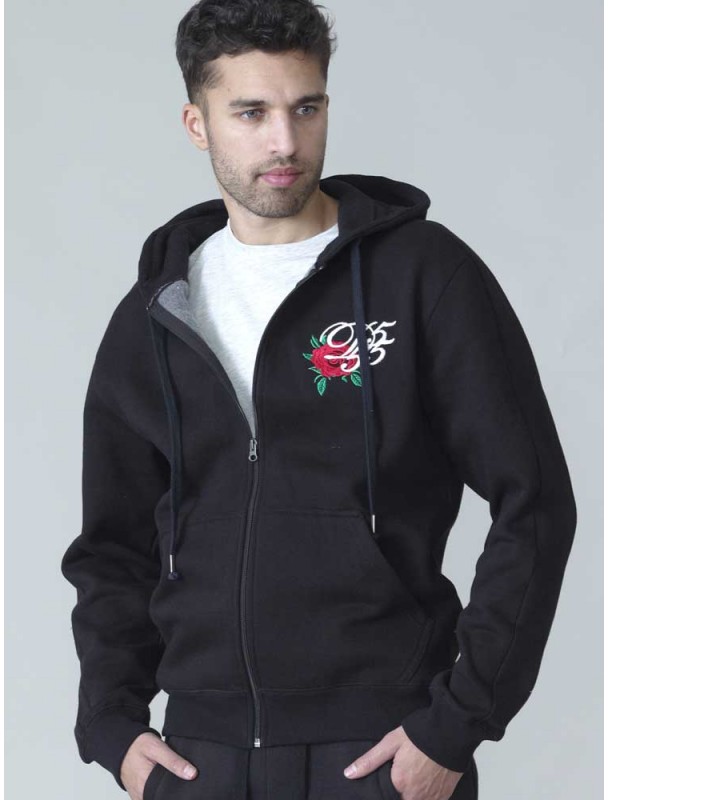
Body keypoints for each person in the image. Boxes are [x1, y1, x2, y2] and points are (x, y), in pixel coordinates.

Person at [60, 1, 577, 798]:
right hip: (202, 757)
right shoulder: (157, 314)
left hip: (378, 754)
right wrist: (111, 725)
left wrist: (456, 724)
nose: (285, 142)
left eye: (306, 108)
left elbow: (535, 502)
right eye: (251, 113)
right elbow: (113, 546)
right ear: (197, 124)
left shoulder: (422, 277)